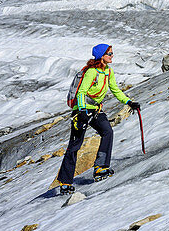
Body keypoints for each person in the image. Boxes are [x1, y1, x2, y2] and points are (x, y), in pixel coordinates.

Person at [53, 44, 140, 194]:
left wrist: (129, 102)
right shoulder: (92, 72)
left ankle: (101, 167)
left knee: (107, 131)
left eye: (112, 53)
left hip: (95, 110)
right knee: (75, 145)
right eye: (109, 53)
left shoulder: (107, 71)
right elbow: (81, 92)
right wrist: (81, 111)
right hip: (82, 110)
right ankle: (65, 182)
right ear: (101, 56)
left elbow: (115, 90)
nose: (112, 55)